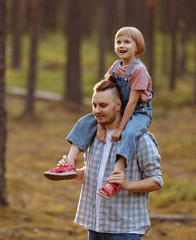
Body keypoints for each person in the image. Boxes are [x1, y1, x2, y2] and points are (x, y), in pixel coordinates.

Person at [44, 26, 154, 200]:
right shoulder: (116, 66)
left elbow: (132, 102)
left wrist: (119, 129)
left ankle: (115, 177)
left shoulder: (138, 70)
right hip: (118, 107)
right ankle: (70, 163)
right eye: (118, 42)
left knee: (130, 132)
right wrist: (101, 125)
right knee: (85, 122)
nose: (121, 45)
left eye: (127, 42)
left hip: (138, 112)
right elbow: (104, 91)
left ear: (137, 46)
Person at [57, 79, 163, 239]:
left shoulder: (140, 138)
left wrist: (126, 184)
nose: (97, 111)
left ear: (119, 105)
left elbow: (156, 181)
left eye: (103, 105)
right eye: (94, 105)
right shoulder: (93, 136)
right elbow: (93, 174)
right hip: (95, 228)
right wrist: (72, 172)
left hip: (125, 231)